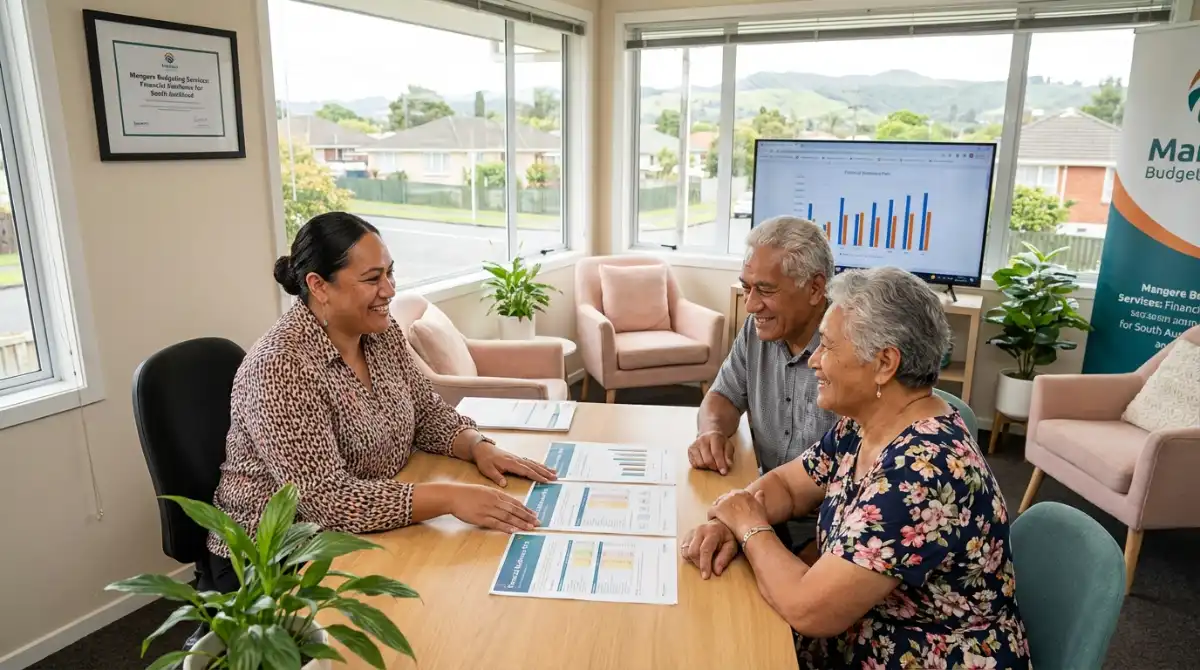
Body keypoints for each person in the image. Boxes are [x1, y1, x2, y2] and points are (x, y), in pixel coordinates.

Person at [681, 267, 1028, 669]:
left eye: (827, 347)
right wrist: (730, 519)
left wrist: (748, 526)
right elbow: (789, 487)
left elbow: (810, 610)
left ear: (884, 363)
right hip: (863, 634)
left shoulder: (925, 469)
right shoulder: (867, 423)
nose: (814, 361)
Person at [205, 212, 556, 590]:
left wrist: (477, 446)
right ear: (319, 286)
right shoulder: (280, 367)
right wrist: (450, 498)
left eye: (390, 273)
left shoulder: (380, 334)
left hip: (366, 522)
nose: (389, 290)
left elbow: (427, 413)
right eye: (373, 279)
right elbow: (327, 500)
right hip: (273, 559)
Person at [688, 215, 837, 552]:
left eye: (766, 290)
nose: (752, 304)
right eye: (746, 287)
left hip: (829, 532)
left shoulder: (849, 353)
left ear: (815, 288)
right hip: (768, 506)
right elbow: (723, 395)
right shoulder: (760, 328)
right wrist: (711, 431)